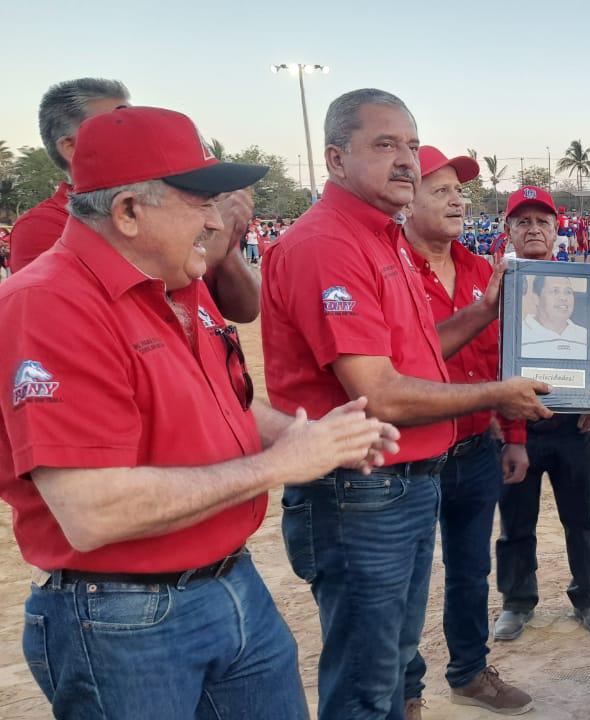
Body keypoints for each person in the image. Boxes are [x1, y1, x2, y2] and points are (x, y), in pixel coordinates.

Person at [0, 105, 400, 717]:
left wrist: (310, 434)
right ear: (129, 211)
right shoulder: (50, 303)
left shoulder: (178, 282)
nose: (217, 220)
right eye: (198, 203)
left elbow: (232, 404)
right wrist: (279, 465)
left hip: (229, 584)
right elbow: (89, 511)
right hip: (122, 615)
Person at [260, 89, 552, 720]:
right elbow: (381, 392)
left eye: (412, 146)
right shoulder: (328, 244)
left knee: (389, 662)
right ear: (335, 160)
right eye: (384, 145)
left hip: (402, 484)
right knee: (368, 681)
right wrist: (499, 394)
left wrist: (479, 313)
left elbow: (414, 355)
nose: (406, 162)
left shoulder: (381, 238)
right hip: (361, 493)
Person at [399, 146, 533, 716]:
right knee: (404, 583)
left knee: (471, 569)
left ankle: (470, 671)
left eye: (461, 190)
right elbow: (401, 366)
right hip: (410, 455)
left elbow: (507, 357)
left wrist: (515, 437)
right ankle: (403, 690)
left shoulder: (485, 271)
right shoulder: (390, 272)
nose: (457, 199)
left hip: (478, 448)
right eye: (441, 189)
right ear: (406, 200)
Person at [8, 78, 261, 323]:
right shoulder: (43, 227)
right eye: (114, 122)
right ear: (70, 147)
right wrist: (209, 247)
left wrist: (224, 242)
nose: (133, 129)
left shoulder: (182, 207)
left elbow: (245, 310)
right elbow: (94, 321)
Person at [495, 185, 590, 641]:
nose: (533, 229)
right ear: (508, 229)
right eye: (522, 221)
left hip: (572, 426)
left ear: (555, 228)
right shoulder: (496, 284)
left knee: (581, 517)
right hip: (515, 429)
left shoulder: (581, 285)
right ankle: (517, 601)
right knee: (515, 522)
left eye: (541, 221)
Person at [520, 275, 588, 359]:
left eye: (568, 292)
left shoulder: (585, 336)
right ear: (536, 298)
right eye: (555, 291)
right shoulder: (519, 334)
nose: (563, 298)